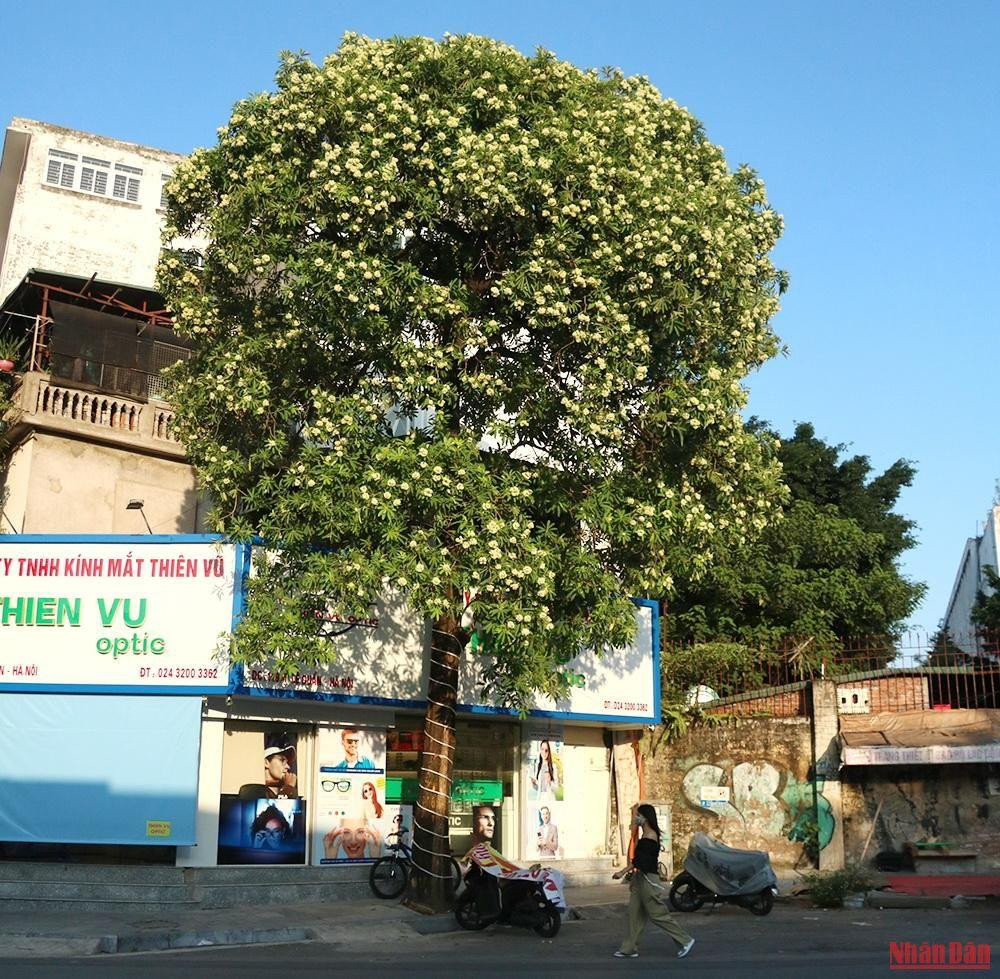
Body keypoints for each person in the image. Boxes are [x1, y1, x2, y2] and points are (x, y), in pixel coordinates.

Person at [612, 804, 694, 960]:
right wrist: (634, 880)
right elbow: (639, 862)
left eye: (638, 815)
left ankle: (685, 940)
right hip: (641, 878)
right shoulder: (645, 834)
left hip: (649, 879)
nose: (635, 818)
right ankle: (629, 948)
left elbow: (639, 861)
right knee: (634, 914)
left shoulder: (649, 836)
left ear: (645, 818)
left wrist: (623, 872)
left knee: (657, 914)